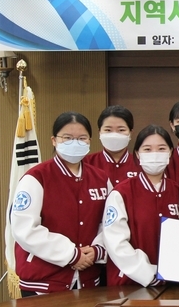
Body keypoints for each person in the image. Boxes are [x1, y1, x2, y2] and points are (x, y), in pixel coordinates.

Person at [10, 112, 110, 296]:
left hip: (88, 280)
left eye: (82, 138)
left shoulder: (101, 178)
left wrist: (97, 250)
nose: (75, 143)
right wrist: (71, 254)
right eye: (67, 138)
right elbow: (24, 228)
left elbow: (109, 223)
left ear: (89, 141)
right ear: (54, 140)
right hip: (43, 282)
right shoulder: (36, 177)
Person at [100, 125, 179, 287]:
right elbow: (116, 242)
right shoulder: (121, 193)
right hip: (130, 284)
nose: (154, 154)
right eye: (147, 149)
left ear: (170, 152)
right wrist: (148, 274)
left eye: (161, 149)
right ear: (137, 153)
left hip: (173, 283)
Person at [83, 105, 140, 186]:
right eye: (108, 130)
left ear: (131, 133)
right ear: (99, 132)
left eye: (121, 130)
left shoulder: (141, 163)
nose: (114, 135)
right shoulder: (86, 163)